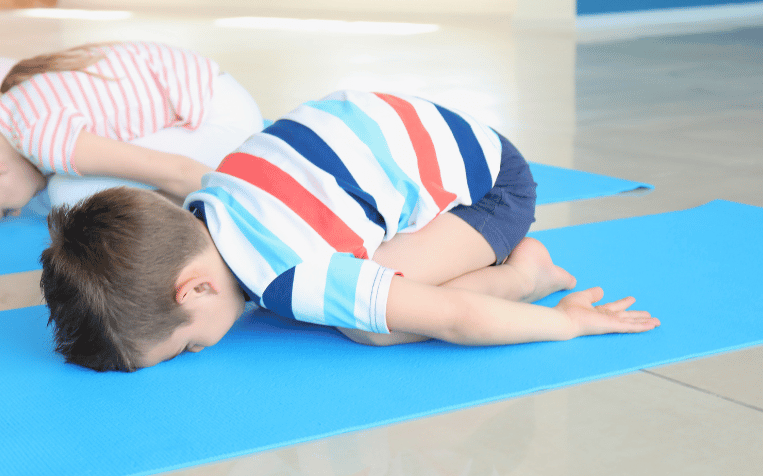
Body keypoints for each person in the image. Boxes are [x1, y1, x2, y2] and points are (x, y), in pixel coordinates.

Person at [40, 89, 660, 373]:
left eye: (186, 346)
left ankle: (527, 272)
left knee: (368, 327)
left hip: (493, 188)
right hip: (435, 137)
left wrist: (568, 323)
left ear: (195, 289)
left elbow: (453, 319)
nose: (200, 351)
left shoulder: (290, 274)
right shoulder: (209, 198)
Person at [0, 41, 263, 234]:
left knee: (65, 195)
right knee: (54, 192)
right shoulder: (5, 112)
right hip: (211, 96)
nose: (16, 211)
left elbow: (173, 170)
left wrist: (258, 207)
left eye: (3, 210)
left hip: (224, 123)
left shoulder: (42, 137)